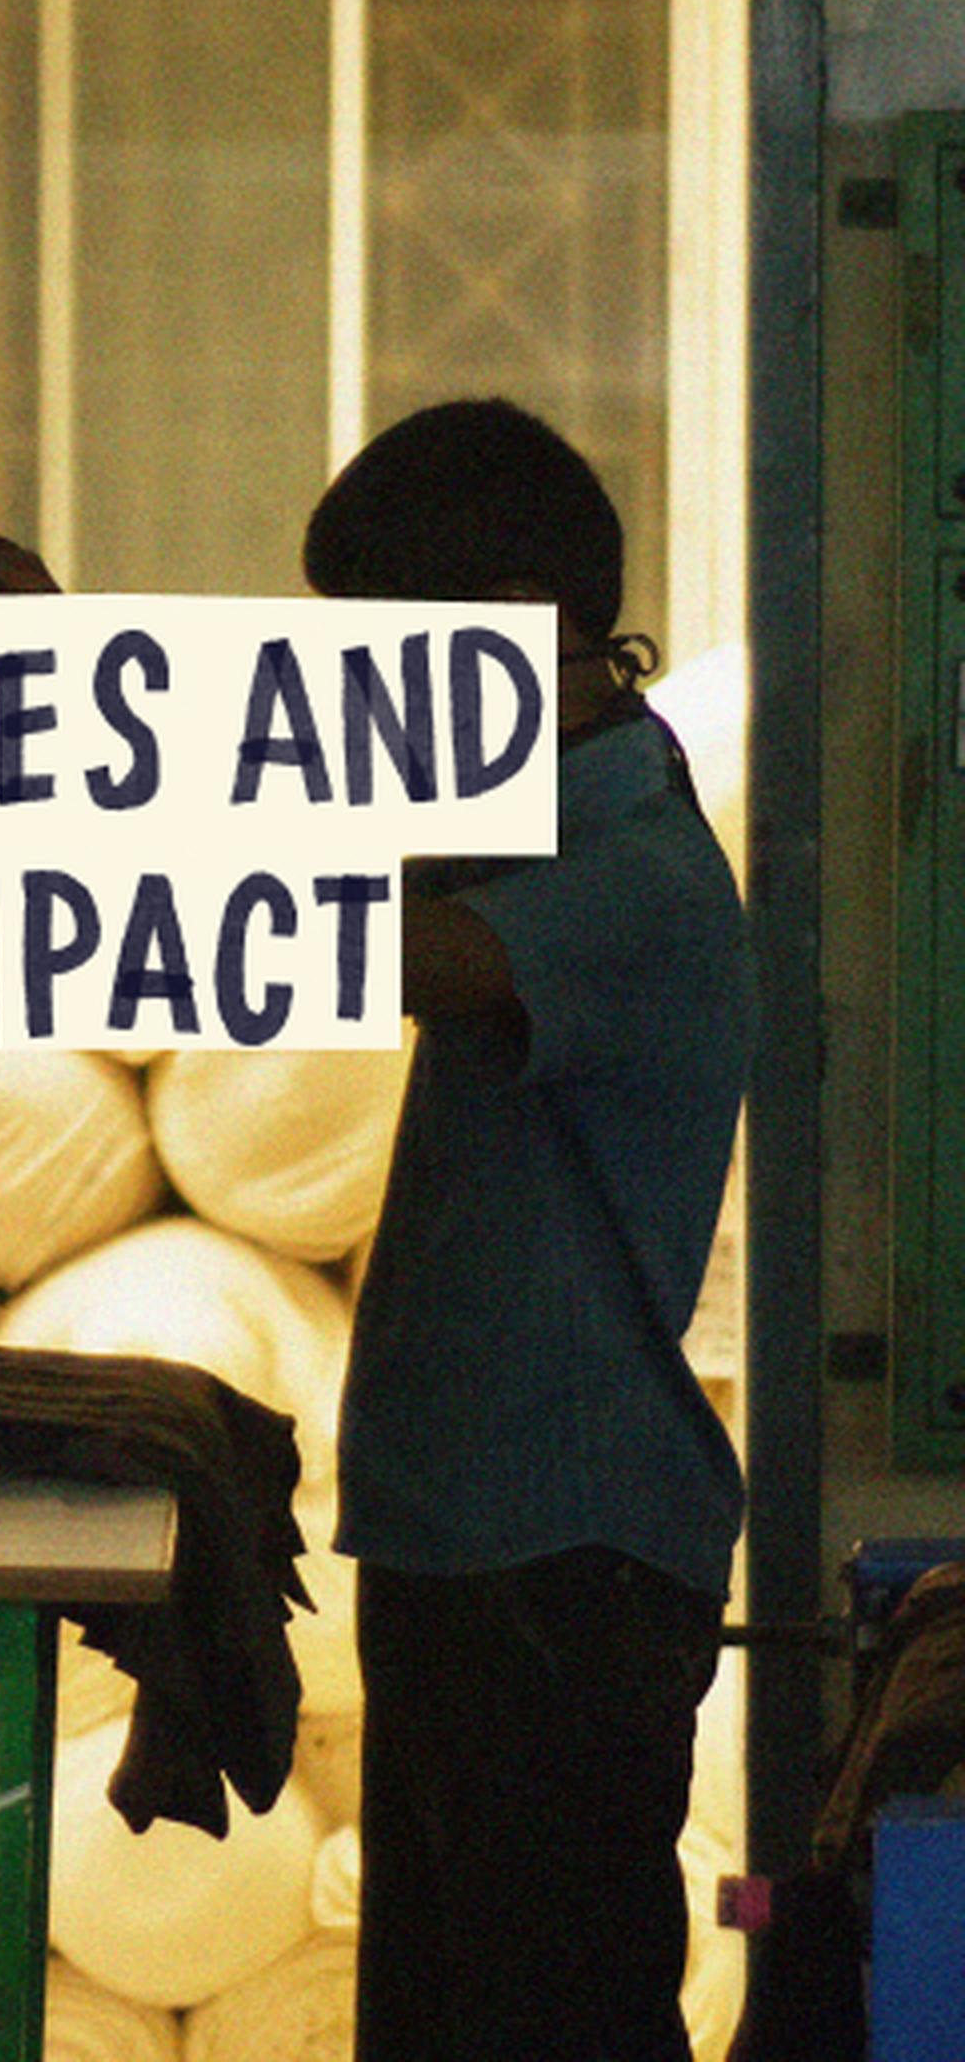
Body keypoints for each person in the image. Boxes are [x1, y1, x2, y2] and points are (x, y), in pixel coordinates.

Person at [302, 400, 755, 2062]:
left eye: (375, 663)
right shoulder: (537, 824)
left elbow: (390, 952)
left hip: (558, 1568)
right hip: (463, 1544)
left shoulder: (633, 871)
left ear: (488, 651)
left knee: (550, 2025)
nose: (352, 711)